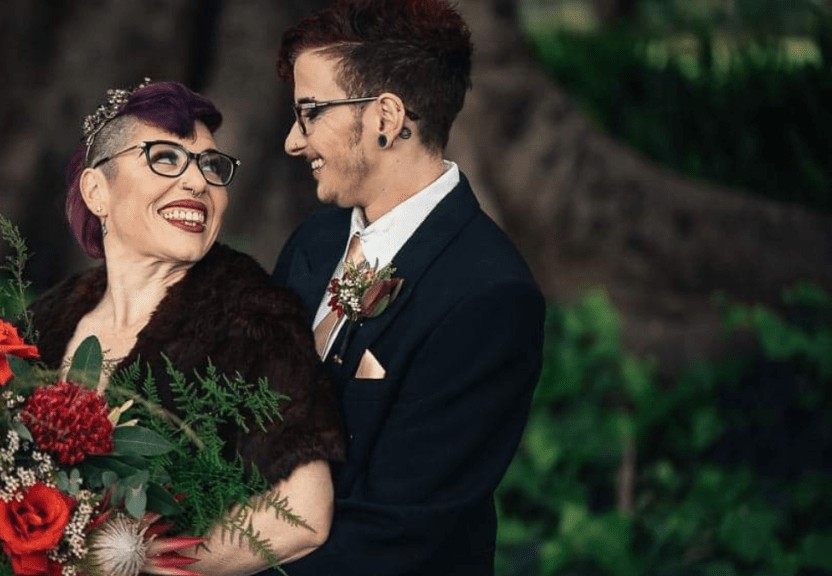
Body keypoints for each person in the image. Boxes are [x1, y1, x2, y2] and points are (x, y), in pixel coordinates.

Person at [269, 1, 546, 574]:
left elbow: (397, 533)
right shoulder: (315, 243)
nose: (294, 142)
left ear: (385, 119)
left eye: (310, 113)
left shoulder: (488, 296)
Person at [28, 80, 344, 575]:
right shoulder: (43, 322)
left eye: (211, 166)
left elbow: (302, 515)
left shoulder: (251, 317)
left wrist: (139, 565)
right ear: (97, 191)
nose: (197, 182)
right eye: (165, 158)